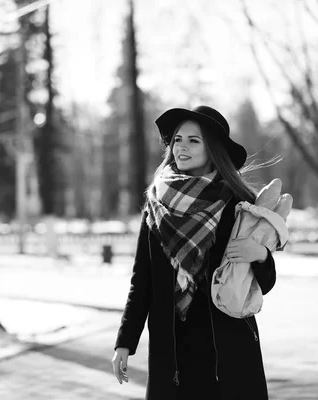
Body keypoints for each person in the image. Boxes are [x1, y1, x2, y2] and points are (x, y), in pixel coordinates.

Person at [111, 105, 276, 399]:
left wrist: (259, 254)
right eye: (177, 139)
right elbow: (142, 280)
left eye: (193, 140)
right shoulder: (156, 204)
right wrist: (125, 342)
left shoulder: (237, 203)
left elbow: (264, 282)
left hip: (226, 346)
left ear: (212, 149)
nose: (181, 147)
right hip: (173, 348)